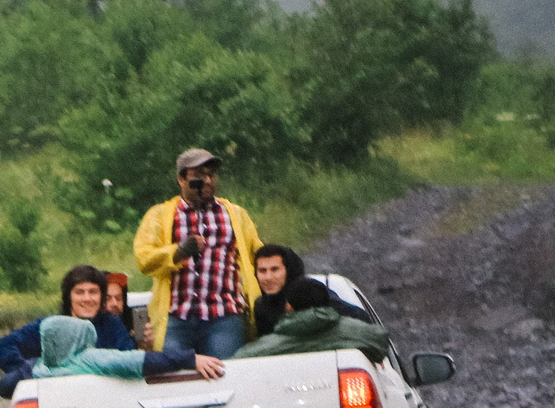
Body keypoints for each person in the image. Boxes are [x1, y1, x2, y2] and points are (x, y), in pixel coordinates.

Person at [133, 148, 261, 360]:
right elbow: (144, 259)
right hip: (176, 316)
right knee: (173, 375)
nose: (208, 181)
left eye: (211, 175)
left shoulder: (235, 215)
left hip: (224, 315)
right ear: (182, 179)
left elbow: (259, 256)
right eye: (200, 176)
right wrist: (179, 252)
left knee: (226, 373)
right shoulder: (160, 215)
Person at [0, 265, 135, 395]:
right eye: (79, 292)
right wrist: (31, 371)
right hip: (60, 398)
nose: (87, 298)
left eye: (93, 292)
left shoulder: (112, 325)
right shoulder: (50, 327)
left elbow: (128, 358)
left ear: (101, 297)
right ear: (68, 297)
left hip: (105, 396)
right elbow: (1, 348)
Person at [231, 276, 394, 363]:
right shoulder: (363, 333)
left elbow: (236, 363)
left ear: (288, 307)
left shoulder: (259, 350)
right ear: (327, 302)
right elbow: (382, 340)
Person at [30, 315, 224, 381]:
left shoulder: (41, 368)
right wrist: (189, 358)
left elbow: (10, 381)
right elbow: (138, 361)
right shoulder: (89, 359)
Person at [250, 244, 374, 338]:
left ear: (289, 271)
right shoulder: (261, 307)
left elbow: (361, 320)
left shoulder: (310, 294)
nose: (268, 277)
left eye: (275, 269)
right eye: (262, 271)